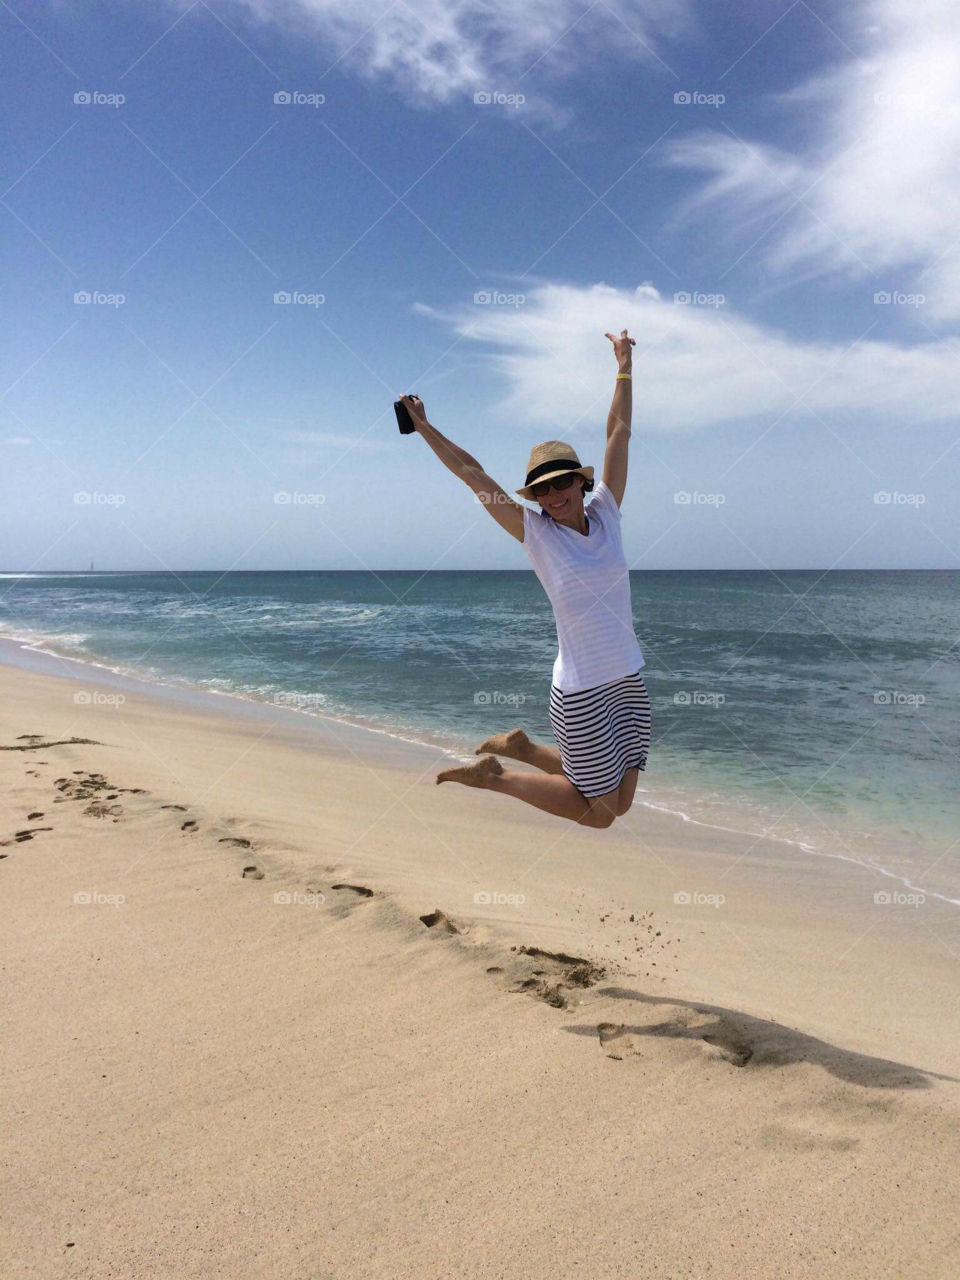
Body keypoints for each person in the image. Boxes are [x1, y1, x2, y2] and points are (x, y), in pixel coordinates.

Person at [398, 328, 650, 829]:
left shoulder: (607, 512)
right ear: (534, 499)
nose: (553, 495)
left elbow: (617, 434)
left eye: (561, 484)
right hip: (580, 693)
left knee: (620, 801)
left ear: (582, 482)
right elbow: (472, 473)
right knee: (599, 816)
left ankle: (522, 748)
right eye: (542, 490)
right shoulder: (535, 535)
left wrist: (623, 366)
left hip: (628, 678)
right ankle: (494, 776)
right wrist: (425, 427)